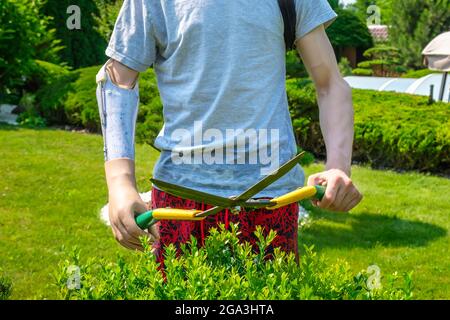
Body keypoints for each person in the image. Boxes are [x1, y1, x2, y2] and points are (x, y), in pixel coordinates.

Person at [96, 0, 363, 261]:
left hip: (272, 198)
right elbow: (117, 81)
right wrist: (120, 184)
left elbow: (330, 84)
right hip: (180, 199)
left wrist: (338, 167)